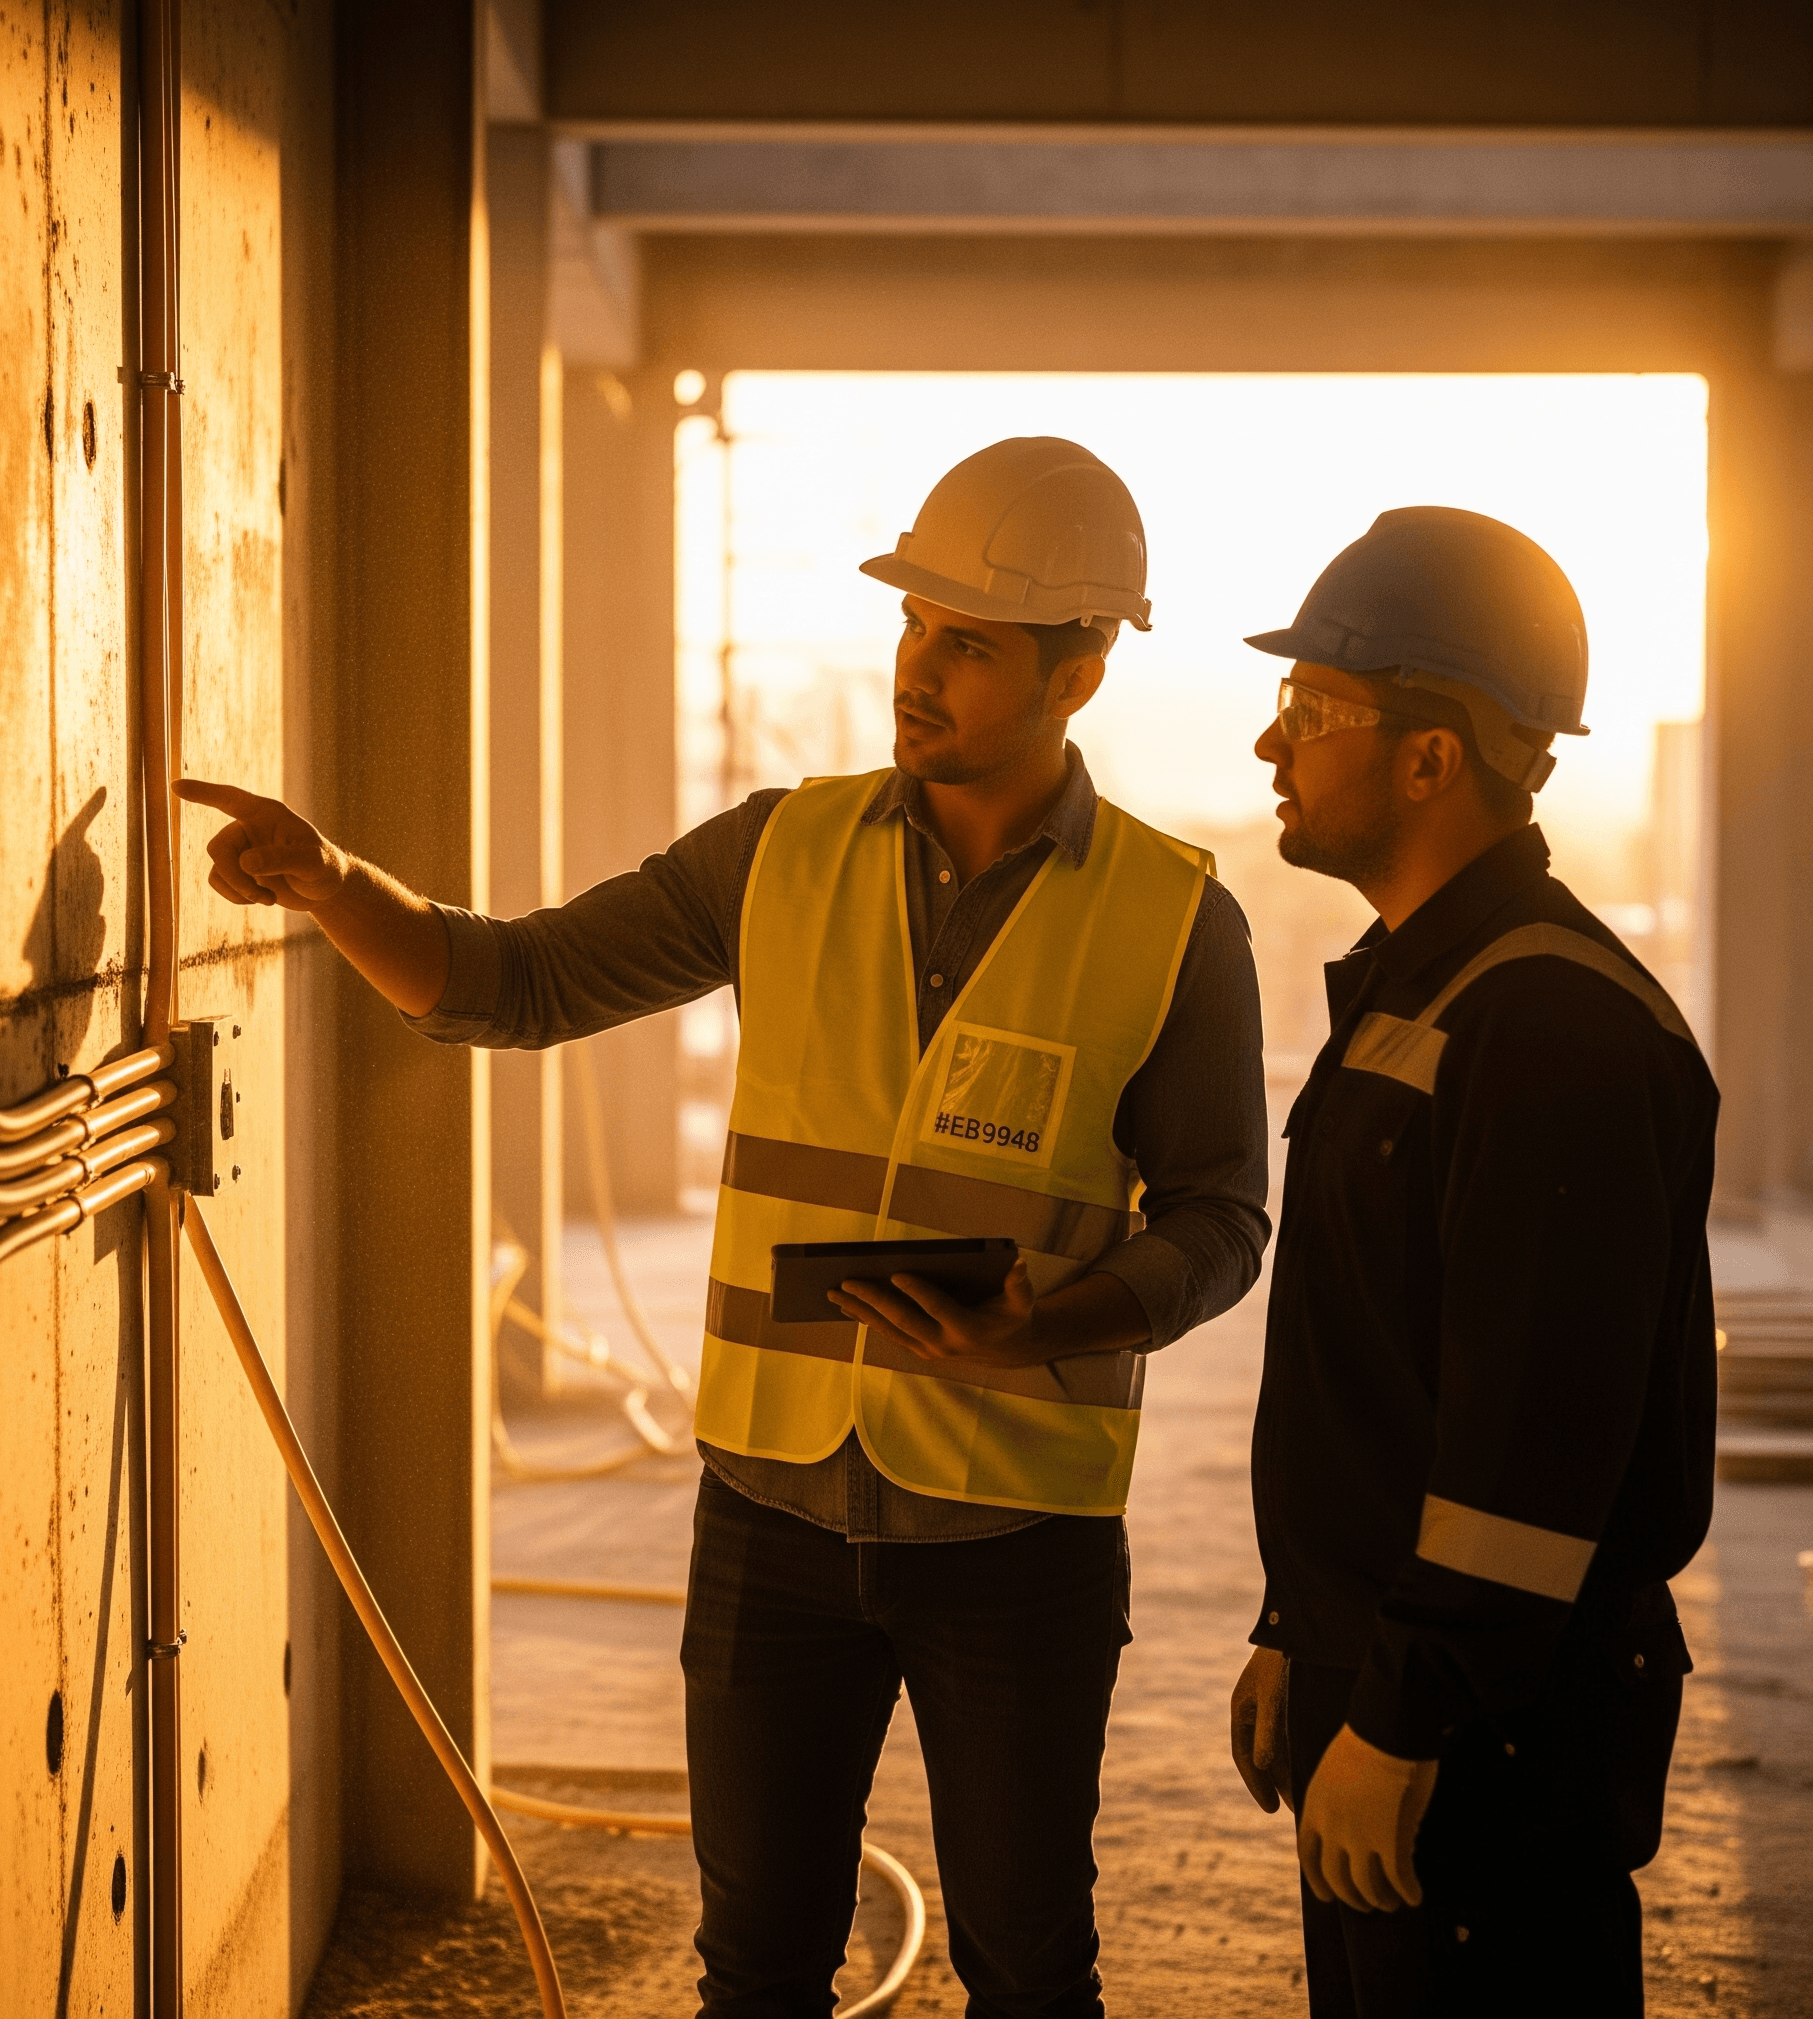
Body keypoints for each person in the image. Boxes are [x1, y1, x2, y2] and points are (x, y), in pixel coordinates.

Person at [181, 437, 1270, 2017]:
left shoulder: (1174, 915)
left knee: (1031, 1967)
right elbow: (519, 982)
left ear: (1082, 670)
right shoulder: (782, 850)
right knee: (755, 1972)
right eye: (915, 626)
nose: (921, 667)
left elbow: (1224, 1223)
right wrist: (335, 882)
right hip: (772, 1520)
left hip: (1018, 1541)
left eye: (971, 643)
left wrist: (1055, 1321)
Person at [1227, 507, 1717, 2016]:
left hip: (1494, 1731)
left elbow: (1533, 1436)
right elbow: (1384, 1372)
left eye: (1315, 710)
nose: (1269, 743)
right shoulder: (1420, 995)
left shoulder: (1547, 1023)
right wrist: (1298, 1633)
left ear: (1434, 757)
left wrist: (1408, 1718)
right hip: (1386, 1680)